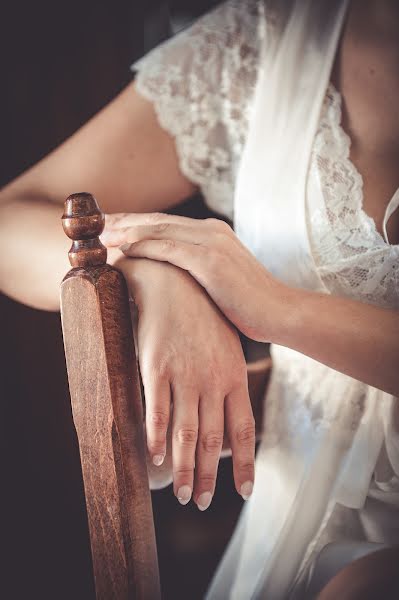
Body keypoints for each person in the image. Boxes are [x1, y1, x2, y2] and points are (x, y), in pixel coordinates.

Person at [1, 0, 398, 597]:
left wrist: (271, 308)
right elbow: (11, 221)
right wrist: (149, 274)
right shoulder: (265, 34)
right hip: (291, 519)